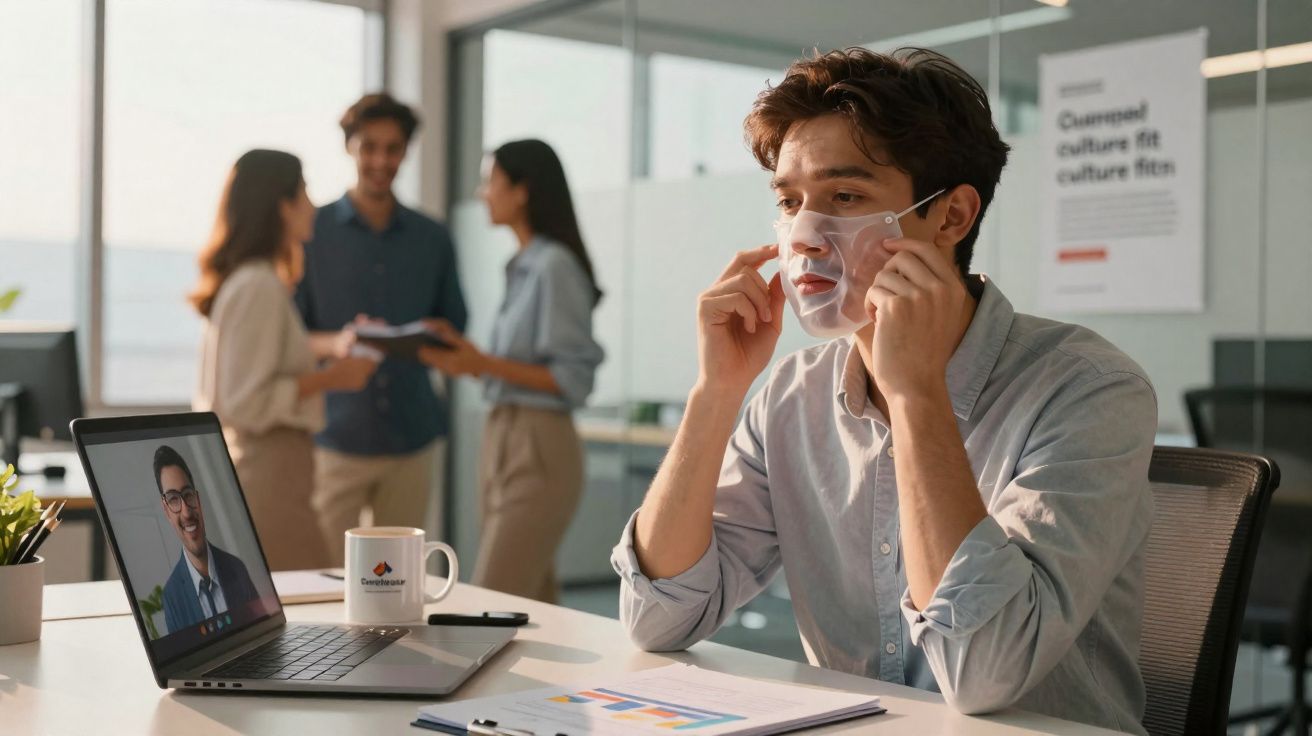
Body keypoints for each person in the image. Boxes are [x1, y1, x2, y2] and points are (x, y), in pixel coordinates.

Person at [612, 48, 1156, 735]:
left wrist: (917, 394)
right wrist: (715, 392)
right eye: (788, 201)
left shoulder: (1087, 390)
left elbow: (982, 669)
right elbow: (659, 618)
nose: (803, 238)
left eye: (845, 197)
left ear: (951, 217)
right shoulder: (790, 394)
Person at [423, 139, 604, 603]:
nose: (483, 193)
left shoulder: (554, 267)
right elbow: (518, 369)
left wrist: (482, 363)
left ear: (521, 191)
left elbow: (572, 381)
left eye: (490, 181)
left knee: (492, 600)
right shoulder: (523, 265)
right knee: (535, 602)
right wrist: (467, 359)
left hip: (538, 445)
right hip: (503, 434)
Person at [295, 93, 468, 566]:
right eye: (369, 147)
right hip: (334, 438)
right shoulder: (314, 231)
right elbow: (291, 337)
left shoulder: (433, 237)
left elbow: (456, 326)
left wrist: (434, 335)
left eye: (392, 149)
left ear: (406, 152)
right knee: (328, 580)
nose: (380, 160)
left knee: (400, 583)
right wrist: (338, 342)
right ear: (350, 147)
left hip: (412, 438)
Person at [192, 149, 377, 572]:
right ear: (281, 204)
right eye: (304, 192)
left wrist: (334, 349)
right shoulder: (258, 285)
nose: (313, 204)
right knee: (311, 605)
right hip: (269, 475)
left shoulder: (252, 281)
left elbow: (263, 365)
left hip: (273, 472)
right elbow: (245, 400)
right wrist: (333, 379)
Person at [155, 444, 259, 635]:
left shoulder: (237, 568)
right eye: (174, 500)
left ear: (198, 499)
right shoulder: (172, 597)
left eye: (187, 495)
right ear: (166, 511)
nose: (186, 511)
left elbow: (261, 633)